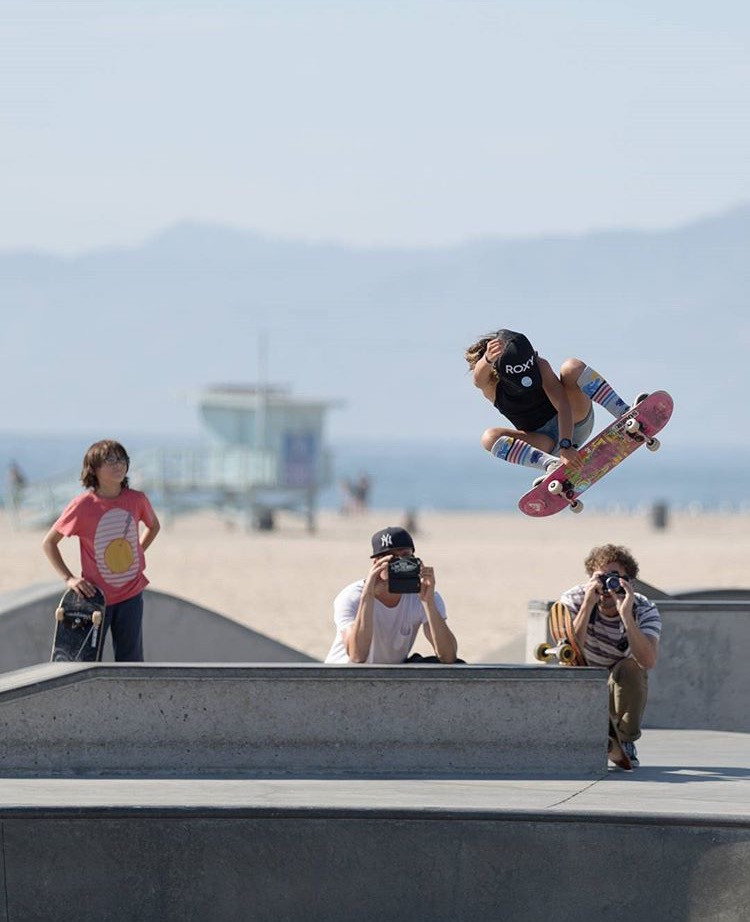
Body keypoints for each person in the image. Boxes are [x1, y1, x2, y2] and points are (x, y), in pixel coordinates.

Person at [41, 439, 161, 662]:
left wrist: (136, 552)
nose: (119, 464)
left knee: (131, 660)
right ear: (93, 469)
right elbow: (49, 543)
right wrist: (69, 578)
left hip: (131, 593)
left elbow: (153, 526)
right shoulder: (83, 506)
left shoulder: (137, 500)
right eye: (110, 460)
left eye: (122, 459)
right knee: (85, 661)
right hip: (95, 598)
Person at [464, 329, 645, 474]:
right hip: (545, 443)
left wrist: (566, 444)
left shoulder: (540, 365)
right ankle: (551, 465)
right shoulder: (491, 385)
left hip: (574, 422)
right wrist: (487, 359)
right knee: (489, 438)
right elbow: (478, 378)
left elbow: (563, 404)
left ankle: (624, 412)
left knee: (571, 367)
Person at [559, 543, 661, 767]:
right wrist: (588, 605)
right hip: (579, 681)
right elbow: (569, 656)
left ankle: (624, 739)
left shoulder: (643, 608)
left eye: (614, 578)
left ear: (628, 582)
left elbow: (648, 660)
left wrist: (626, 616)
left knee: (632, 668)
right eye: (601, 578)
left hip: (617, 686)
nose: (607, 586)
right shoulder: (574, 599)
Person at [325, 525, 460, 665]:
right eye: (392, 559)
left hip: (389, 674)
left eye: (406, 557)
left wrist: (429, 603)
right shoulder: (352, 596)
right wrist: (368, 594)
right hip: (345, 673)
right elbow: (357, 656)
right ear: (376, 563)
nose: (400, 564)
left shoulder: (423, 595)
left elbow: (448, 657)